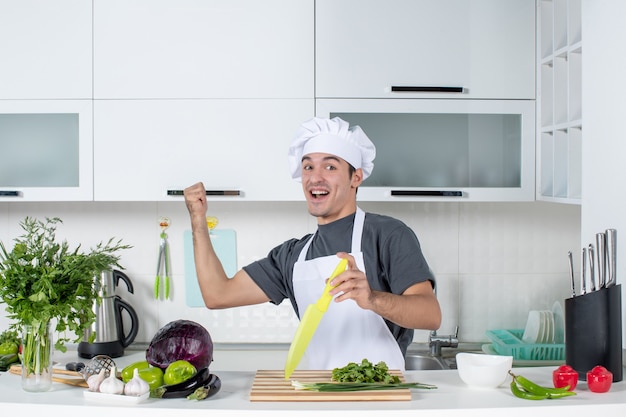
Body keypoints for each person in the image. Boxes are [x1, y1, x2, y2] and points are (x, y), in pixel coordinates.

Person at [184, 116, 441, 371]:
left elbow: (430, 315)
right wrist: (198, 220)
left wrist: (372, 298)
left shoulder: (389, 235)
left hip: (380, 395)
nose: (315, 178)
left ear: (356, 178)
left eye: (330, 167)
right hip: (319, 394)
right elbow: (217, 295)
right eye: (308, 167)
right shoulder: (292, 256)